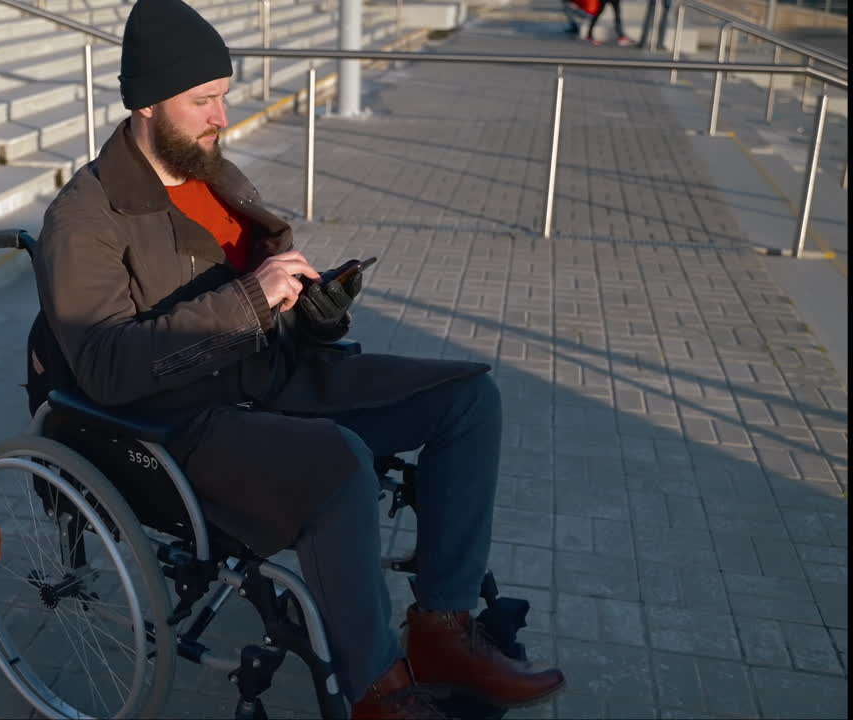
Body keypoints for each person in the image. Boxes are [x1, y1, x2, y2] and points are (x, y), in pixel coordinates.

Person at [30, 0, 568, 716]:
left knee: (470, 401)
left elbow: (261, 293)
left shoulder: (211, 172)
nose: (223, 116)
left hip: (276, 376)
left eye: (224, 95)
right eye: (205, 101)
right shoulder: (84, 217)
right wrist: (250, 302)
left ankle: (442, 627)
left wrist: (309, 313)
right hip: (182, 423)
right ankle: (376, 689)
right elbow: (104, 364)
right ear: (150, 105)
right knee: (339, 460)